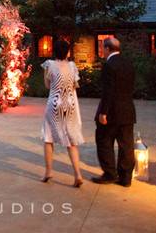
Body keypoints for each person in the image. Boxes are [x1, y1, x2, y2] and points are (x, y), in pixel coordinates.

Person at [92, 37, 136, 187]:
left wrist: (103, 112)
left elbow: (108, 91)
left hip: (112, 111)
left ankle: (110, 173)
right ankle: (125, 178)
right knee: (126, 145)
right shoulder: (128, 63)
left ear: (107, 49)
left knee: (103, 140)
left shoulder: (109, 65)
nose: (101, 51)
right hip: (128, 110)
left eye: (102, 48)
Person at [41, 40, 84, 188]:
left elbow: (47, 85)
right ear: (67, 52)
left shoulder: (49, 65)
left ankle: (48, 172)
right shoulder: (72, 66)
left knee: (48, 138)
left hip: (54, 104)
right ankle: (77, 174)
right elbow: (75, 85)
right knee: (71, 140)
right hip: (69, 105)